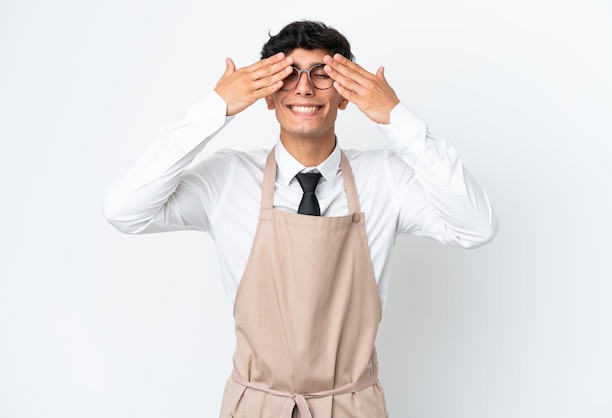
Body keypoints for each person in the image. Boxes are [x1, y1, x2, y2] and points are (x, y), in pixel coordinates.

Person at [103, 19, 498, 418]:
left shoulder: (385, 179)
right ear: (268, 95)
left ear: (345, 95)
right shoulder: (227, 178)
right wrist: (215, 109)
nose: (304, 88)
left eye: (322, 75)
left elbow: (476, 226)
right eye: (288, 75)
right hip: (254, 408)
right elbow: (124, 210)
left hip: (353, 407)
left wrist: (395, 117)